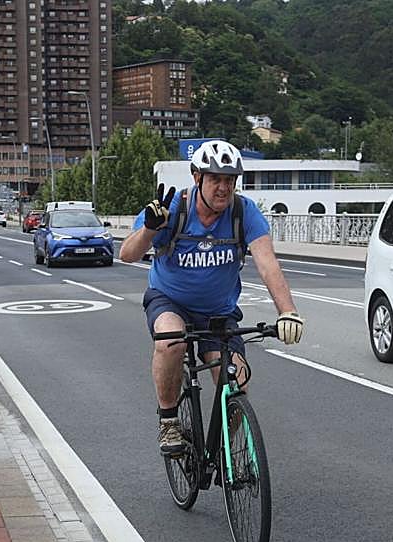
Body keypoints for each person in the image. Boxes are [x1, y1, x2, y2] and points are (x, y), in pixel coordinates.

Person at [118, 139, 305, 456]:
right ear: (197, 177)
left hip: (218, 311)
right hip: (170, 299)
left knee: (236, 383)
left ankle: (221, 448)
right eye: (216, 178)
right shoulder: (173, 210)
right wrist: (150, 229)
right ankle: (169, 421)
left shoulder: (242, 212)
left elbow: (267, 263)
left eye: (230, 180)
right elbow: (127, 254)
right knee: (169, 340)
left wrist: (288, 312)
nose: (223, 188)